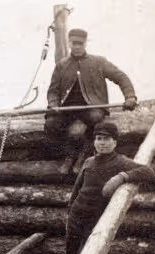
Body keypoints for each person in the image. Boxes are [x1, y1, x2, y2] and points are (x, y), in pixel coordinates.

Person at [45, 28, 137, 171]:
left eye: (80, 43)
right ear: (69, 43)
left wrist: (130, 96)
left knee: (95, 118)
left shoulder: (99, 62)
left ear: (85, 43)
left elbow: (121, 77)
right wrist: (54, 104)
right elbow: (53, 91)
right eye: (74, 43)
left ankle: (85, 154)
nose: (77, 46)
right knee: (51, 124)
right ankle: (69, 155)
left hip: (91, 107)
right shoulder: (61, 66)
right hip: (67, 109)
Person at [66, 121, 155, 254]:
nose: (102, 143)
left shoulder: (120, 161)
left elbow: (148, 172)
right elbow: (77, 188)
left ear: (114, 142)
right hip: (76, 216)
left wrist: (122, 177)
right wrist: (70, 210)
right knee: (70, 253)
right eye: (98, 138)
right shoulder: (89, 161)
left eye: (106, 139)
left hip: (95, 219)